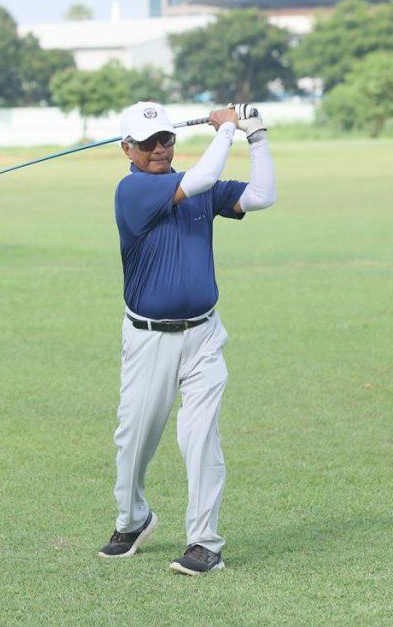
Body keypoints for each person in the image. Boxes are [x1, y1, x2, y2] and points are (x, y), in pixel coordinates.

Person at [98, 101, 277, 576]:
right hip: (148, 339)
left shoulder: (196, 186)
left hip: (204, 336)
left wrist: (255, 137)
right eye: (147, 143)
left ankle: (205, 544)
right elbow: (195, 180)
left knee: (199, 438)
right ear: (126, 149)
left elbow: (262, 195)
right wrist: (224, 131)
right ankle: (133, 519)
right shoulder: (132, 190)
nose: (159, 149)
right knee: (134, 438)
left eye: (166, 139)